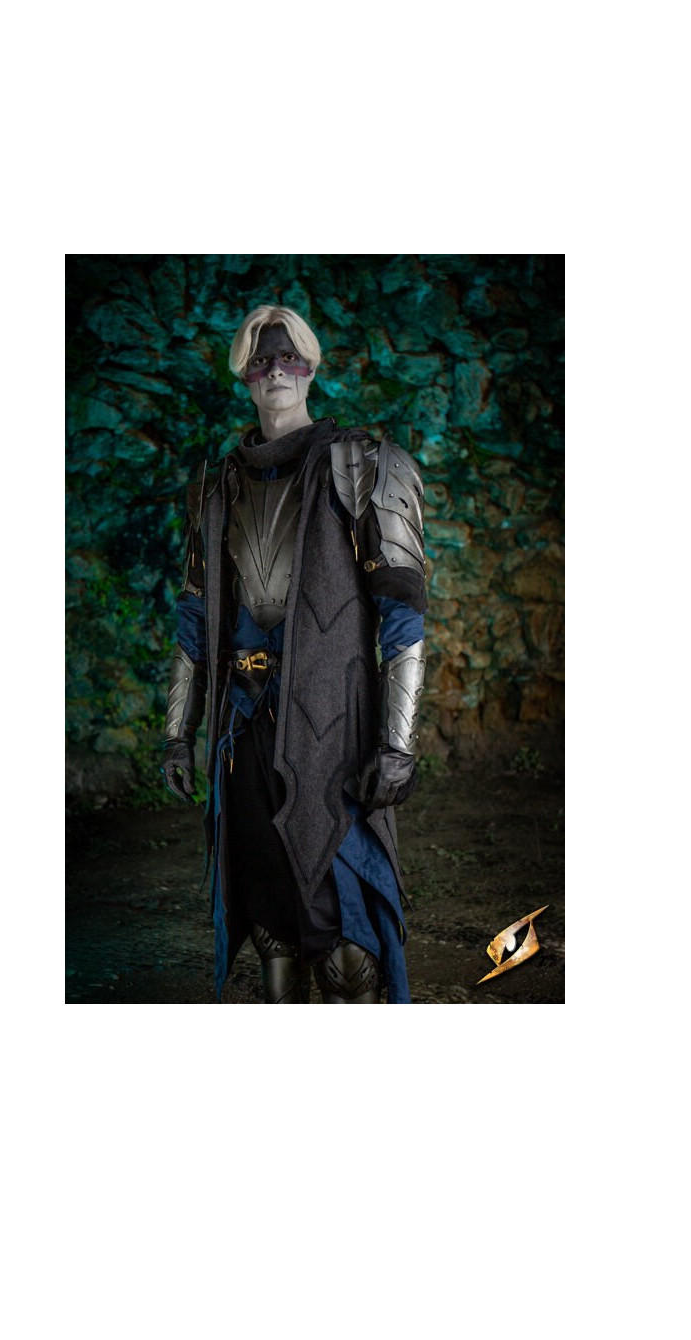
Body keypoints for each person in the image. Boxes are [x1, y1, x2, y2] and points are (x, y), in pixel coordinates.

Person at [161, 305, 427, 1003]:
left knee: (348, 952)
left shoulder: (365, 468)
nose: (275, 370)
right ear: (244, 375)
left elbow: (403, 614)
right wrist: (177, 734)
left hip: (333, 729)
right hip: (243, 728)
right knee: (272, 931)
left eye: (288, 358)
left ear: (310, 368)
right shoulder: (217, 485)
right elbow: (194, 618)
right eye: (261, 360)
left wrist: (397, 745)